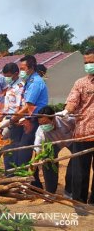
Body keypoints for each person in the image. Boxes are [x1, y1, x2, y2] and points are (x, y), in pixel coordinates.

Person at [59, 48, 94, 205]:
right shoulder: (80, 83)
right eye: (86, 62)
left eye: (91, 62)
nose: (88, 65)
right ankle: (79, 202)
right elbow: (72, 101)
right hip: (83, 133)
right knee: (79, 171)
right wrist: (67, 110)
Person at [0, 55, 48, 168]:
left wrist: (12, 119)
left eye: (22, 69)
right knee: (17, 148)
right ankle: (22, 178)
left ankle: (24, 179)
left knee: (23, 151)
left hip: (34, 120)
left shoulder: (35, 82)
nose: (21, 71)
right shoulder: (29, 81)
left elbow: (29, 106)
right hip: (26, 119)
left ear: (31, 68)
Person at [32, 106, 74, 194]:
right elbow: (37, 148)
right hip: (53, 143)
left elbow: (80, 123)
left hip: (72, 140)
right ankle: (50, 192)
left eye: (45, 122)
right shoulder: (41, 131)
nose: (43, 125)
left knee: (76, 163)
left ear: (53, 118)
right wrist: (33, 166)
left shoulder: (66, 119)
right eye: (40, 123)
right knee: (47, 161)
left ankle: (69, 191)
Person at [0, 63, 25, 170]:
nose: (6, 78)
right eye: (5, 76)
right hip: (8, 119)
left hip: (17, 121)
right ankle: (8, 171)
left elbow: (22, 105)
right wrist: (3, 117)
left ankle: (13, 172)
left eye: (8, 76)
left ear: (16, 73)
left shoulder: (22, 86)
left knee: (14, 148)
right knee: (7, 147)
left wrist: (14, 119)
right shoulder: (10, 85)